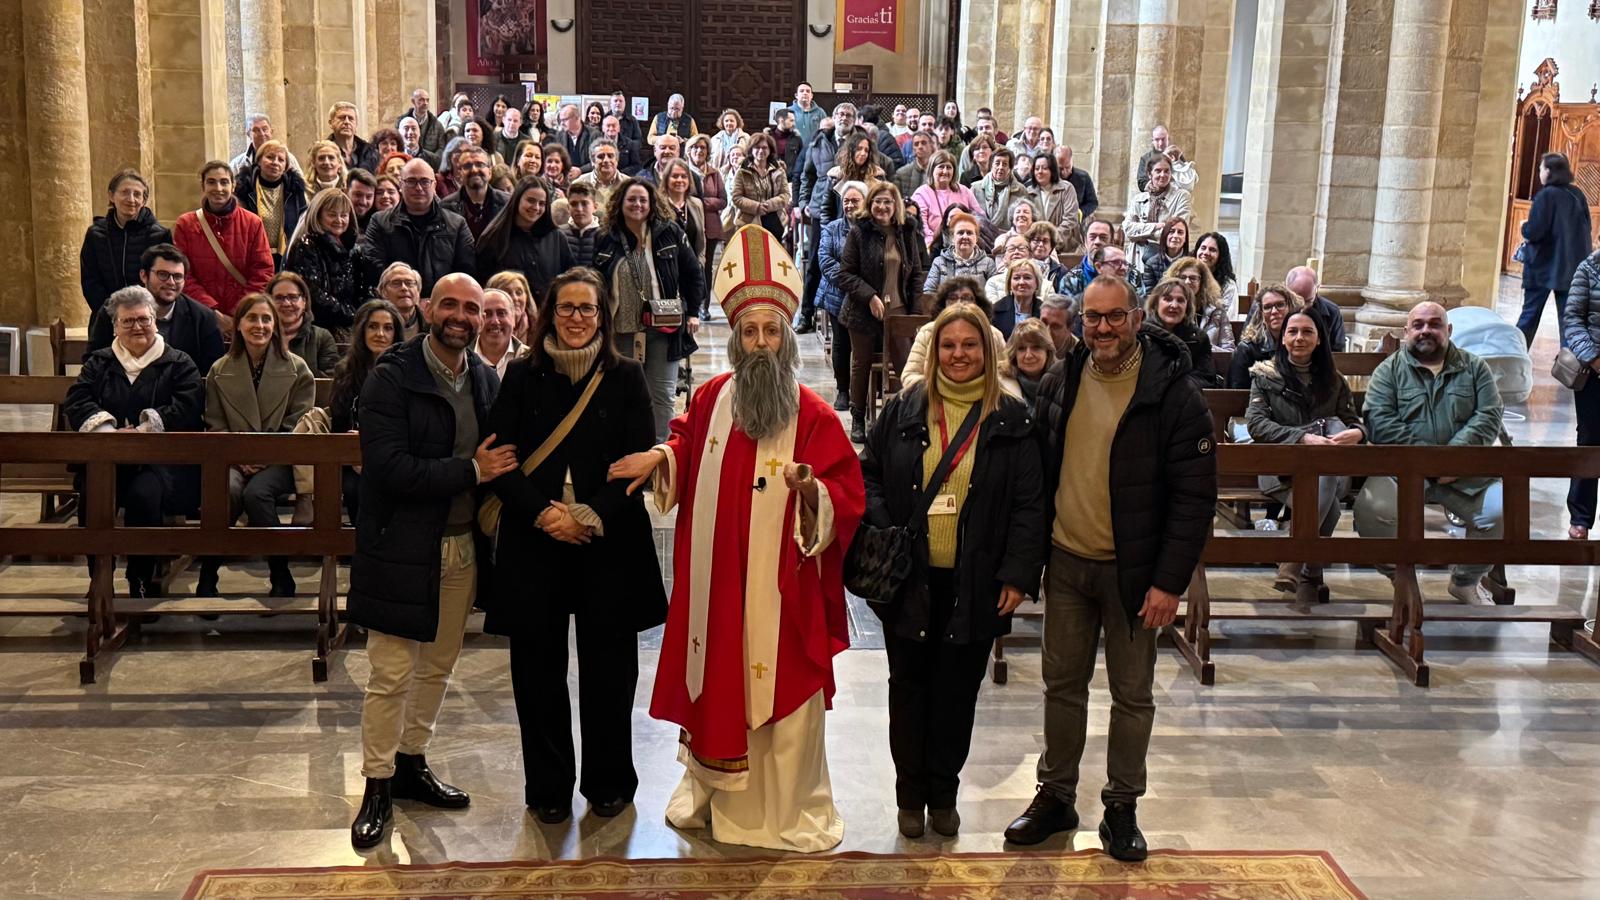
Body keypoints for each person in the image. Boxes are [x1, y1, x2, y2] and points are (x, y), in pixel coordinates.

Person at [605, 223, 864, 852]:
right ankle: (715, 797)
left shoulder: (816, 415)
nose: (760, 342)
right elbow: (688, 440)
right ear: (738, 339)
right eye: (749, 332)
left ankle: (786, 812)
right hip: (720, 588)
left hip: (784, 596)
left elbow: (847, 495)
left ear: (785, 341)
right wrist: (662, 456)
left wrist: (812, 495)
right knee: (717, 677)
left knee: (781, 694)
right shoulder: (716, 395)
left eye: (771, 331)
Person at [1004, 274, 1215, 860]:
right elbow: (1038, 479)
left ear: (1137, 317)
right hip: (1069, 562)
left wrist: (1169, 582)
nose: (1103, 328)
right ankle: (1056, 795)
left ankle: (1122, 806)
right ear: (1078, 323)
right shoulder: (1061, 379)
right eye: (1092, 318)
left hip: (1134, 572)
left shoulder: (1173, 392)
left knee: (1132, 695)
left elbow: (1194, 499)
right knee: (1062, 688)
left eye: (1114, 316)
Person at [478, 267, 665, 823]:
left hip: (606, 539)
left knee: (610, 672)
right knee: (536, 673)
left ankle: (609, 781)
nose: (577, 319)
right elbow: (498, 460)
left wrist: (586, 515)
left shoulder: (627, 377)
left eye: (588, 309)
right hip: (536, 540)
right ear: (547, 315)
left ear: (604, 317)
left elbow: (635, 467)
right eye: (566, 308)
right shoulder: (520, 376)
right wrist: (544, 515)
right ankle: (549, 788)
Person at [859, 302, 1045, 840]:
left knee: (957, 694)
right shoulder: (904, 408)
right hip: (910, 579)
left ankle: (944, 793)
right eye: (948, 345)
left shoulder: (1012, 417)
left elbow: (1030, 505)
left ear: (987, 351)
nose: (958, 355)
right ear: (934, 350)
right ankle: (908, 795)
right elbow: (868, 474)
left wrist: (1017, 573)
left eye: (969, 345)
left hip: (977, 581)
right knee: (909, 690)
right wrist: (885, 527)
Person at [346, 272, 516, 849]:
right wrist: (470, 471)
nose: (463, 317)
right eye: (450, 305)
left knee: (438, 666)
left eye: (473, 308)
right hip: (400, 546)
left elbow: (506, 455)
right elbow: (389, 468)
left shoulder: (486, 380)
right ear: (425, 307)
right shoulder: (391, 378)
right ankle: (376, 783)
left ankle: (412, 760)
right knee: (391, 672)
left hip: (463, 545)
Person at [1355, 301, 1506, 605]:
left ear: (1448, 330)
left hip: (1464, 472)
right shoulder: (1389, 371)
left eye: (1434, 324)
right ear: (1406, 331)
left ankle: (1465, 581)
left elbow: (1489, 416)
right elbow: (1380, 421)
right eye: (1419, 324)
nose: (1426, 330)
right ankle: (1401, 578)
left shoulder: (1475, 368)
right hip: (1402, 470)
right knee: (1373, 513)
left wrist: (1453, 458)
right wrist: (1428, 463)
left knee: (1502, 512)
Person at [65, 286, 204, 599]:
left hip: (160, 462)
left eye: (143, 319)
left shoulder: (179, 363)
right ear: (115, 326)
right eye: (127, 321)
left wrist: (144, 430)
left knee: (144, 496)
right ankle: (100, 574)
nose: (136, 327)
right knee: (93, 493)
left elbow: (188, 405)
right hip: (107, 457)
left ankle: (140, 578)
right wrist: (109, 433)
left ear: (155, 321)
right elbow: (77, 401)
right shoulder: (99, 363)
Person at [198, 292, 316, 598]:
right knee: (227, 490)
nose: (259, 325)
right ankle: (208, 573)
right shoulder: (219, 370)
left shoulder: (297, 369)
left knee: (257, 493)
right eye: (252, 318)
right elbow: (216, 423)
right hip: (233, 458)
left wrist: (264, 456)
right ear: (238, 325)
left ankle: (280, 572)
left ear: (275, 326)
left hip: (283, 460)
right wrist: (241, 458)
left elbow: (299, 424)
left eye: (266, 319)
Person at [1246, 307, 1364, 600]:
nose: (1299, 338)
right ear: (1283, 339)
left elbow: (1353, 420)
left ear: (1320, 339)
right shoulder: (1265, 375)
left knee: (1322, 477)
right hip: (1281, 469)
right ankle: (1309, 570)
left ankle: (1292, 561)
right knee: (1330, 504)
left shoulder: (1333, 379)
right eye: (1293, 332)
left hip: (1330, 471)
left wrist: (1359, 433)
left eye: (1307, 332)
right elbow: (1257, 423)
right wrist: (1302, 437)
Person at [592, 178, 704, 441]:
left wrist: (693, 312)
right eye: (631, 199)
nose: (638, 205)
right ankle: (626, 451)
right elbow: (594, 280)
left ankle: (658, 454)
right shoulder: (606, 238)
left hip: (664, 328)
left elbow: (693, 274)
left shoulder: (670, 232)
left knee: (661, 395)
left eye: (643, 200)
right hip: (621, 329)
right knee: (622, 394)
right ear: (620, 204)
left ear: (652, 204)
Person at [838, 181, 929, 442]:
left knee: (906, 364)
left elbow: (916, 273)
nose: (882, 206)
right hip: (862, 310)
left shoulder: (907, 230)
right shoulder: (859, 231)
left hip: (899, 309)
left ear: (896, 205)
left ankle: (907, 415)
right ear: (870, 204)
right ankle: (858, 418)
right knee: (861, 363)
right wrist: (870, 296)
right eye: (877, 201)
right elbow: (845, 274)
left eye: (887, 201)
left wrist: (914, 312)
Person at [303, 297, 400, 523]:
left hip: (393, 454)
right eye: (373, 326)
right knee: (355, 488)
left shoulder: (406, 371)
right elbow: (339, 420)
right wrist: (355, 455)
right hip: (352, 456)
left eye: (388, 328)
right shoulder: (346, 371)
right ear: (362, 330)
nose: (380, 334)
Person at [87, 244, 226, 377]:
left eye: (177, 276)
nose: (171, 282)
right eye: (163, 274)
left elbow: (211, 371)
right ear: (144, 275)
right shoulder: (115, 308)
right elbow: (94, 360)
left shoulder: (203, 318)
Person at [172, 161, 274, 330]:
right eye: (211, 182)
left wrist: (239, 312)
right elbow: (183, 273)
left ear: (233, 185)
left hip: (243, 317)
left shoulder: (252, 223)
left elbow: (263, 272)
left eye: (224, 182)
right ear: (203, 186)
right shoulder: (186, 224)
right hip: (200, 315)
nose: (218, 188)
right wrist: (212, 311)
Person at [359, 158, 475, 297]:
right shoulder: (380, 222)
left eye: (425, 182)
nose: (418, 188)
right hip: (395, 306)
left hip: (444, 305)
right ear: (401, 185)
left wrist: (438, 302)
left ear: (434, 185)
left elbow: (465, 272)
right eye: (411, 181)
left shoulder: (457, 224)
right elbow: (375, 268)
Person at [900, 277, 1019, 400]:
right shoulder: (927, 332)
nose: (959, 303)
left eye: (967, 298)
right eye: (952, 298)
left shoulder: (993, 334)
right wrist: (942, 390)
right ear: (943, 304)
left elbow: (1006, 374)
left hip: (983, 401)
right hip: (935, 401)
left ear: (978, 303)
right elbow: (909, 375)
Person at [1520, 152, 1593, 346]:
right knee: (1570, 323)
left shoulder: (1546, 196)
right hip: (1572, 269)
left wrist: (1523, 227)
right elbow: (1587, 229)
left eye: (1541, 168)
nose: (1539, 173)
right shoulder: (1577, 194)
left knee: (1529, 317)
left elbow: (1535, 231)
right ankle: (1571, 369)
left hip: (1542, 268)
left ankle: (1514, 358)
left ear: (1549, 171)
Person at [81, 169, 172, 313]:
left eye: (137, 194)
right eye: (124, 192)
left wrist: (143, 311)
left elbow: (164, 280)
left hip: (148, 316)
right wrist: (112, 313)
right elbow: (90, 280)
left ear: (143, 200)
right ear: (111, 196)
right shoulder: (95, 234)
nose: (131, 199)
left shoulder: (160, 235)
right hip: (106, 316)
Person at [475, 175, 576, 303]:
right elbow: (483, 283)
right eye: (531, 201)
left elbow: (569, 278)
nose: (536, 207)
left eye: (542, 203)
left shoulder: (556, 237)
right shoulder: (494, 237)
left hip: (547, 315)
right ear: (517, 200)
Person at [816, 180, 868, 411]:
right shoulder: (832, 228)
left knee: (863, 346)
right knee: (842, 344)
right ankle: (843, 390)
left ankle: (864, 391)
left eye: (855, 201)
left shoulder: (871, 228)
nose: (849, 205)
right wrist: (853, 283)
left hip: (865, 297)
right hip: (838, 294)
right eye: (846, 201)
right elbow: (826, 261)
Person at [285, 188, 362, 341]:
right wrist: (350, 315)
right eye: (332, 214)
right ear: (318, 215)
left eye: (344, 215)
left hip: (350, 326)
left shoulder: (354, 249)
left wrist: (361, 312)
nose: (339, 220)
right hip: (317, 329)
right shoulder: (305, 245)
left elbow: (363, 287)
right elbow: (312, 292)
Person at [1562, 248, 1600, 539]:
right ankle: (1581, 516)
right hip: (1594, 371)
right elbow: (1573, 319)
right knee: (1590, 438)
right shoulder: (1589, 268)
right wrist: (1594, 357)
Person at [1144, 277, 1219, 387]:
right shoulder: (1143, 335)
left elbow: (1206, 378)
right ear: (1156, 304)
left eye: (1180, 300)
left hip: (1185, 397)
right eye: (1168, 299)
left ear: (1187, 307)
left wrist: (1176, 385)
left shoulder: (1198, 338)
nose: (1174, 305)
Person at [1227, 284, 1303, 389]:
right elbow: (1237, 393)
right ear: (1261, 313)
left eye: (1280, 305)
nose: (1274, 312)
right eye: (1267, 307)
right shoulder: (1246, 349)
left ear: (1290, 307)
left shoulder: (1301, 343)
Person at [684, 134, 727, 310]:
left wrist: (702, 202)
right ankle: (689, 303)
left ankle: (705, 306)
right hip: (689, 224)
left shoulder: (714, 173)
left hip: (710, 226)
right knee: (688, 265)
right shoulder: (682, 171)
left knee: (706, 267)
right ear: (689, 151)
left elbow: (723, 200)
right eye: (695, 147)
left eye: (702, 148)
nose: (699, 151)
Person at [268, 271, 339, 376]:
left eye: (293, 297)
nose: (286, 303)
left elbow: (329, 381)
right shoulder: (261, 336)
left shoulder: (322, 337)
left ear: (304, 301)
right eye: (279, 298)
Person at [911, 151, 985, 250]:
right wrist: (930, 244)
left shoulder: (964, 190)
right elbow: (922, 225)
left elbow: (979, 216)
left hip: (966, 243)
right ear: (932, 170)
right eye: (941, 167)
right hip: (935, 247)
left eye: (949, 167)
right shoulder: (921, 193)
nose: (945, 171)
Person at [439, 146, 509, 241]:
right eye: (467, 166)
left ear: (490, 172)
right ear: (460, 173)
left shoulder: (507, 203)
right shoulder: (446, 206)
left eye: (480, 164)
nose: (474, 170)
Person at [730, 131, 791, 237]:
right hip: (748, 222)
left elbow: (785, 195)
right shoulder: (742, 171)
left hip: (775, 220)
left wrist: (769, 205)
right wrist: (757, 207)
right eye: (757, 147)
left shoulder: (779, 171)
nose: (761, 151)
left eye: (764, 148)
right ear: (751, 150)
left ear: (770, 150)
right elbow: (736, 197)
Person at [1163, 255, 1232, 351]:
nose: (1187, 282)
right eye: (1182, 277)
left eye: (1193, 278)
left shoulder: (1216, 311)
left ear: (1202, 282)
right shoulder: (1167, 309)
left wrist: (1202, 346)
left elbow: (1229, 350)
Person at [972, 148, 1034, 246]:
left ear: (1010, 168)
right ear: (991, 165)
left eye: (1005, 164)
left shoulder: (1020, 190)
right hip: (981, 241)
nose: (1000, 167)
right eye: (997, 163)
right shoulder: (976, 188)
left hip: (1010, 241)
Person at [1124, 158, 1191, 248]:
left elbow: (1177, 231)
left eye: (1167, 171)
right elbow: (1128, 229)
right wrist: (1156, 226)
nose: (1163, 175)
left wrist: (1139, 232)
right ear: (1149, 174)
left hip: (1165, 255)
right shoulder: (1138, 199)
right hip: (1137, 257)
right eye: (1158, 171)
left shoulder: (1182, 196)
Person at [924, 211, 996, 293]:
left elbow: (993, 293)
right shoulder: (939, 262)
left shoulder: (988, 263)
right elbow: (929, 291)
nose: (965, 236)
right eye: (960, 232)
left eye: (969, 233)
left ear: (976, 238)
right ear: (952, 238)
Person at [1284, 266, 1348, 353]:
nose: (1303, 306)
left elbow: (1337, 350)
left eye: (1308, 301)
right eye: (1297, 301)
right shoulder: (1277, 309)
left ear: (1316, 288)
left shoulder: (1332, 312)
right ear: (1287, 289)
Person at [1028, 153, 1081, 253]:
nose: (1039, 172)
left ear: (1052, 170)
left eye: (1044, 168)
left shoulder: (1066, 188)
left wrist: (1051, 240)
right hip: (1037, 248)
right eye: (1037, 168)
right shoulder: (1028, 192)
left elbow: (1070, 219)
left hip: (1064, 246)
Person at [470, 287, 524, 381]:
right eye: (487, 314)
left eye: (501, 313)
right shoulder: (460, 361)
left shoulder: (531, 359)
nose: (495, 321)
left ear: (513, 319)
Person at [993, 258, 1049, 340]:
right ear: (1009, 283)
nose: (1021, 282)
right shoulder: (995, 311)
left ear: (1037, 283)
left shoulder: (1045, 312)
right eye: (1016, 278)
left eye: (1027, 277)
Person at [231, 113, 303, 176]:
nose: (262, 134)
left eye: (265, 129)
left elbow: (302, 187)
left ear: (271, 131)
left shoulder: (288, 159)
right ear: (248, 134)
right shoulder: (237, 164)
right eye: (256, 130)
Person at [1007, 317, 1056, 408]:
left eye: (1036, 347)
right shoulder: (1002, 385)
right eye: (1021, 349)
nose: (1028, 355)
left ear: (1048, 352)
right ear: (1014, 354)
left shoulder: (1062, 383)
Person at [1193, 231, 1239, 312]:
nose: (1206, 253)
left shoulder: (1228, 286)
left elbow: (1228, 318)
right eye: (1203, 248)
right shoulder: (1187, 277)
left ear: (1220, 256)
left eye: (1212, 250)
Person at [377, 262, 425, 340]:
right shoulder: (371, 324)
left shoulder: (432, 324)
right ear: (383, 292)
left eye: (409, 283)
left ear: (418, 291)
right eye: (396, 283)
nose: (404, 288)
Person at [562, 182, 601, 268]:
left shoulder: (605, 236)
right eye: (574, 204)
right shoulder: (559, 234)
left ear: (595, 207)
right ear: (568, 208)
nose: (579, 209)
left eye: (584, 203)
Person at [984, 233, 1031, 303]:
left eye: (1021, 249)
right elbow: (993, 310)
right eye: (1011, 249)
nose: (1016, 252)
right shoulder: (993, 283)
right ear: (1004, 258)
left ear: (1030, 255)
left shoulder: (1044, 284)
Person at [327, 101, 371, 172]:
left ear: (356, 124)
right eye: (341, 118)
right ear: (331, 123)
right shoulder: (321, 152)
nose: (347, 122)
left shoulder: (369, 152)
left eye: (350, 118)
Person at [400, 88, 446, 155]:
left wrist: (431, 159)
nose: (425, 103)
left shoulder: (437, 125)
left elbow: (442, 148)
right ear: (413, 101)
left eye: (427, 100)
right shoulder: (402, 122)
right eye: (421, 100)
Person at [1056, 146, 1098, 219]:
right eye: (1060, 168)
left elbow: (1092, 203)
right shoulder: (1048, 177)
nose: (1064, 172)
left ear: (1072, 161)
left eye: (1067, 167)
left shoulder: (1083, 177)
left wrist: (1081, 212)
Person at [554, 103, 599, 170]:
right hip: (566, 176)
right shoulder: (559, 135)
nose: (562, 123)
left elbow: (598, 160)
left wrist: (581, 170)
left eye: (565, 120)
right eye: (561, 120)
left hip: (587, 177)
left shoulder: (594, 135)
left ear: (576, 118)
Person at [893, 131, 935, 201]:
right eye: (916, 144)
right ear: (913, 149)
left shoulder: (938, 172)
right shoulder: (901, 173)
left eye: (924, 143)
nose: (920, 147)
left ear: (931, 146)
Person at [1039, 294, 1078, 358]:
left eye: (1055, 326)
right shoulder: (1025, 342)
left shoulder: (1078, 359)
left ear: (1070, 328)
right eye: (1044, 322)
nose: (1047, 332)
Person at [1135, 125, 1170, 193]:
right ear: (1152, 141)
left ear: (1168, 139)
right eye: (1157, 140)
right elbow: (1141, 181)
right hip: (1153, 196)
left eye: (1163, 139)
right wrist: (1150, 186)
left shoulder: (1177, 156)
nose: (1160, 143)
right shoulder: (1145, 158)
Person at [788, 81, 824, 147]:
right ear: (796, 95)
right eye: (801, 91)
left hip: (814, 148)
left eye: (808, 91)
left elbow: (826, 131)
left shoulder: (820, 112)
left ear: (811, 95)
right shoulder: (788, 111)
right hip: (793, 149)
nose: (805, 93)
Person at [346, 169, 379, 233]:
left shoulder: (378, 221)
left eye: (369, 196)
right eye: (358, 195)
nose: (363, 202)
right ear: (346, 191)